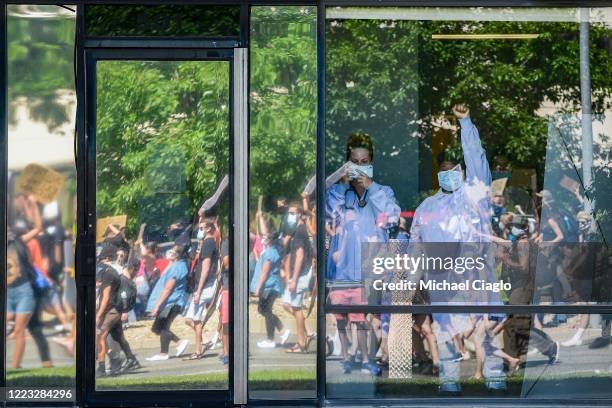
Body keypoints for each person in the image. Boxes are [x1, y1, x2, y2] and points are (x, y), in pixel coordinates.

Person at [410, 104, 505, 393]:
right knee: (445, 330)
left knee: (485, 330)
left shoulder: (475, 196)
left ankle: (495, 378)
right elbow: (416, 246)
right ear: (437, 176)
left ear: (461, 173)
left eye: (453, 171)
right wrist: (413, 282)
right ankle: (449, 381)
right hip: (443, 282)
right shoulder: (427, 208)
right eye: (443, 172)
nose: (448, 175)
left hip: (476, 277)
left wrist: (465, 123)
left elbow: (477, 160)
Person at [326, 131, 400, 376]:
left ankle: (369, 360)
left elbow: (392, 216)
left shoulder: (383, 192)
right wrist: (343, 181)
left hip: (371, 270)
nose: (360, 167)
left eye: (364, 162)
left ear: (372, 164)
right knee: (341, 319)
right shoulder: (340, 194)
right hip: (342, 271)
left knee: (365, 320)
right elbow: (327, 211)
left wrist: (370, 185)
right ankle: (347, 357)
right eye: (355, 163)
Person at [95, 245, 140, 377]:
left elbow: (106, 296)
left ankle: (102, 368)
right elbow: (103, 285)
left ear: (106, 258)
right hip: (116, 309)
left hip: (111, 310)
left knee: (100, 336)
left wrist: (99, 315)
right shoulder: (114, 270)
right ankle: (131, 358)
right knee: (118, 336)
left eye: (101, 258)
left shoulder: (108, 272)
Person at [146, 244, 190, 361]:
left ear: (177, 254)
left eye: (173, 251)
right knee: (157, 328)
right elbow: (164, 275)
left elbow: (168, 288)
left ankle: (163, 353)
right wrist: (171, 262)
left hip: (172, 302)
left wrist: (157, 306)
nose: (169, 252)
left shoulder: (178, 267)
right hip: (169, 302)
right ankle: (180, 342)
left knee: (162, 326)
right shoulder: (175, 265)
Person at [184, 219, 219, 359]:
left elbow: (205, 268)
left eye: (203, 228)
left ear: (209, 229)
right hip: (203, 286)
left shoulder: (209, 244)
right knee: (190, 319)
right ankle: (204, 342)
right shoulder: (206, 243)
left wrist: (198, 291)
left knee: (196, 320)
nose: (200, 231)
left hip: (204, 287)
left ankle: (199, 350)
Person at [282, 203, 314, 354]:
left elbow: (300, 256)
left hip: (300, 275)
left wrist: (294, 279)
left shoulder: (300, 231)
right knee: (287, 304)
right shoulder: (296, 231)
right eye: (289, 213)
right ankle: (307, 332)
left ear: (300, 215)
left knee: (296, 307)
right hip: (297, 274)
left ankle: (302, 343)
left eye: (293, 213)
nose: (290, 215)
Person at [253, 223, 290, 348]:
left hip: (269, 286)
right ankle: (282, 330)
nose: (263, 239)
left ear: (270, 240)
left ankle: (271, 339)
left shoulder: (270, 253)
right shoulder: (272, 250)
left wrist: (258, 288)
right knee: (262, 310)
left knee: (266, 310)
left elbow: (265, 272)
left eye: (266, 238)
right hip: (271, 286)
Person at [6, 229, 36, 369]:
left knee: (19, 330)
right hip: (7, 292)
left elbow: (38, 228)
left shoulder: (18, 242)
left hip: (23, 290)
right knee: (10, 318)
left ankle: (15, 367)